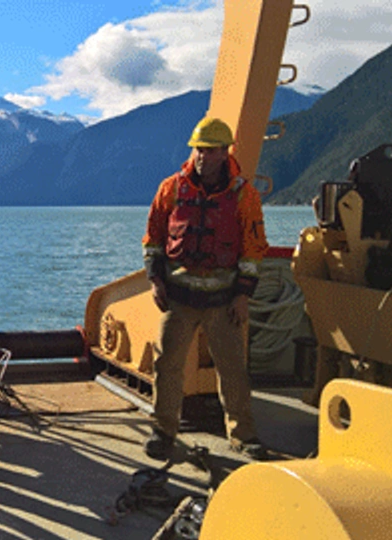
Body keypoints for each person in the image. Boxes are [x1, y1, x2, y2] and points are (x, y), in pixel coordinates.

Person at [141, 117, 269, 461]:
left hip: (223, 303)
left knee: (233, 370)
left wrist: (243, 295)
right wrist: (155, 280)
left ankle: (243, 435)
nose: (202, 157)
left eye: (210, 151)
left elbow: (253, 250)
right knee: (167, 365)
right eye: (198, 149)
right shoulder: (171, 188)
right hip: (178, 300)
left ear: (225, 152)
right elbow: (153, 238)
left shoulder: (244, 196)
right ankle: (163, 431)